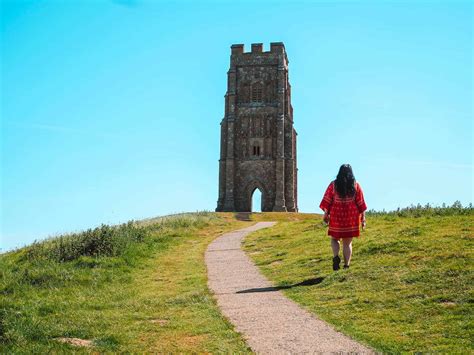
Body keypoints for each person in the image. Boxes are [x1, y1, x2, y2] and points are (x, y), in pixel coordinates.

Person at [319, 164, 367, 270]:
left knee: (334, 239)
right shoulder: (356, 185)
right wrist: (363, 218)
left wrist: (325, 215)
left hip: (336, 215)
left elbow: (327, 200)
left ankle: (336, 257)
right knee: (347, 242)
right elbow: (361, 203)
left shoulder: (333, 185)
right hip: (351, 217)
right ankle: (346, 265)